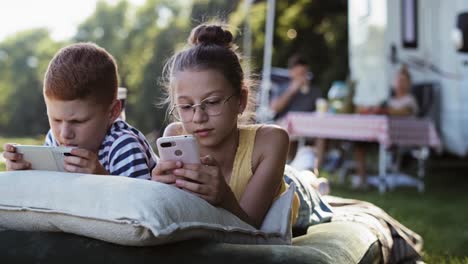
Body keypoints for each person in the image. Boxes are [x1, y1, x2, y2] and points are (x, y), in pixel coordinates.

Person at [151, 22, 333, 229]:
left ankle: (315, 182)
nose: (198, 117)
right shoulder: (176, 134)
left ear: (241, 100)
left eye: (211, 102)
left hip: (293, 193)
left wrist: (224, 197)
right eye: (185, 106)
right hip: (271, 173)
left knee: (306, 181)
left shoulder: (272, 140)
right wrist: (160, 191)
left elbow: (252, 227)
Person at [2, 42, 157, 179]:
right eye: (56, 120)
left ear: (113, 112)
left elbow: (140, 207)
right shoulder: (54, 140)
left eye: (77, 121)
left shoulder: (124, 146)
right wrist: (23, 173)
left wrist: (101, 178)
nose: (64, 134)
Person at [352, 64, 419, 189]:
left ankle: (377, 179)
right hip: (382, 135)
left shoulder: (410, 100)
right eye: (398, 80)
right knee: (359, 143)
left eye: (403, 81)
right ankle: (362, 180)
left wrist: (383, 110)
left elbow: (403, 112)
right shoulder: (389, 100)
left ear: (408, 83)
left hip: (401, 137)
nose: (400, 84)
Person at [269, 54, 325, 171]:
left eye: (304, 74)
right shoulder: (283, 88)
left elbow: (320, 109)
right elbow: (275, 108)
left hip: (310, 126)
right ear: (291, 73)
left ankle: (315, 169)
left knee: (322, 134)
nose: (302, 77)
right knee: (285, 132)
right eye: (299, 74)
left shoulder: (314, 90)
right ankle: (285, 166)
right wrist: (292, 90)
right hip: (287, 125)